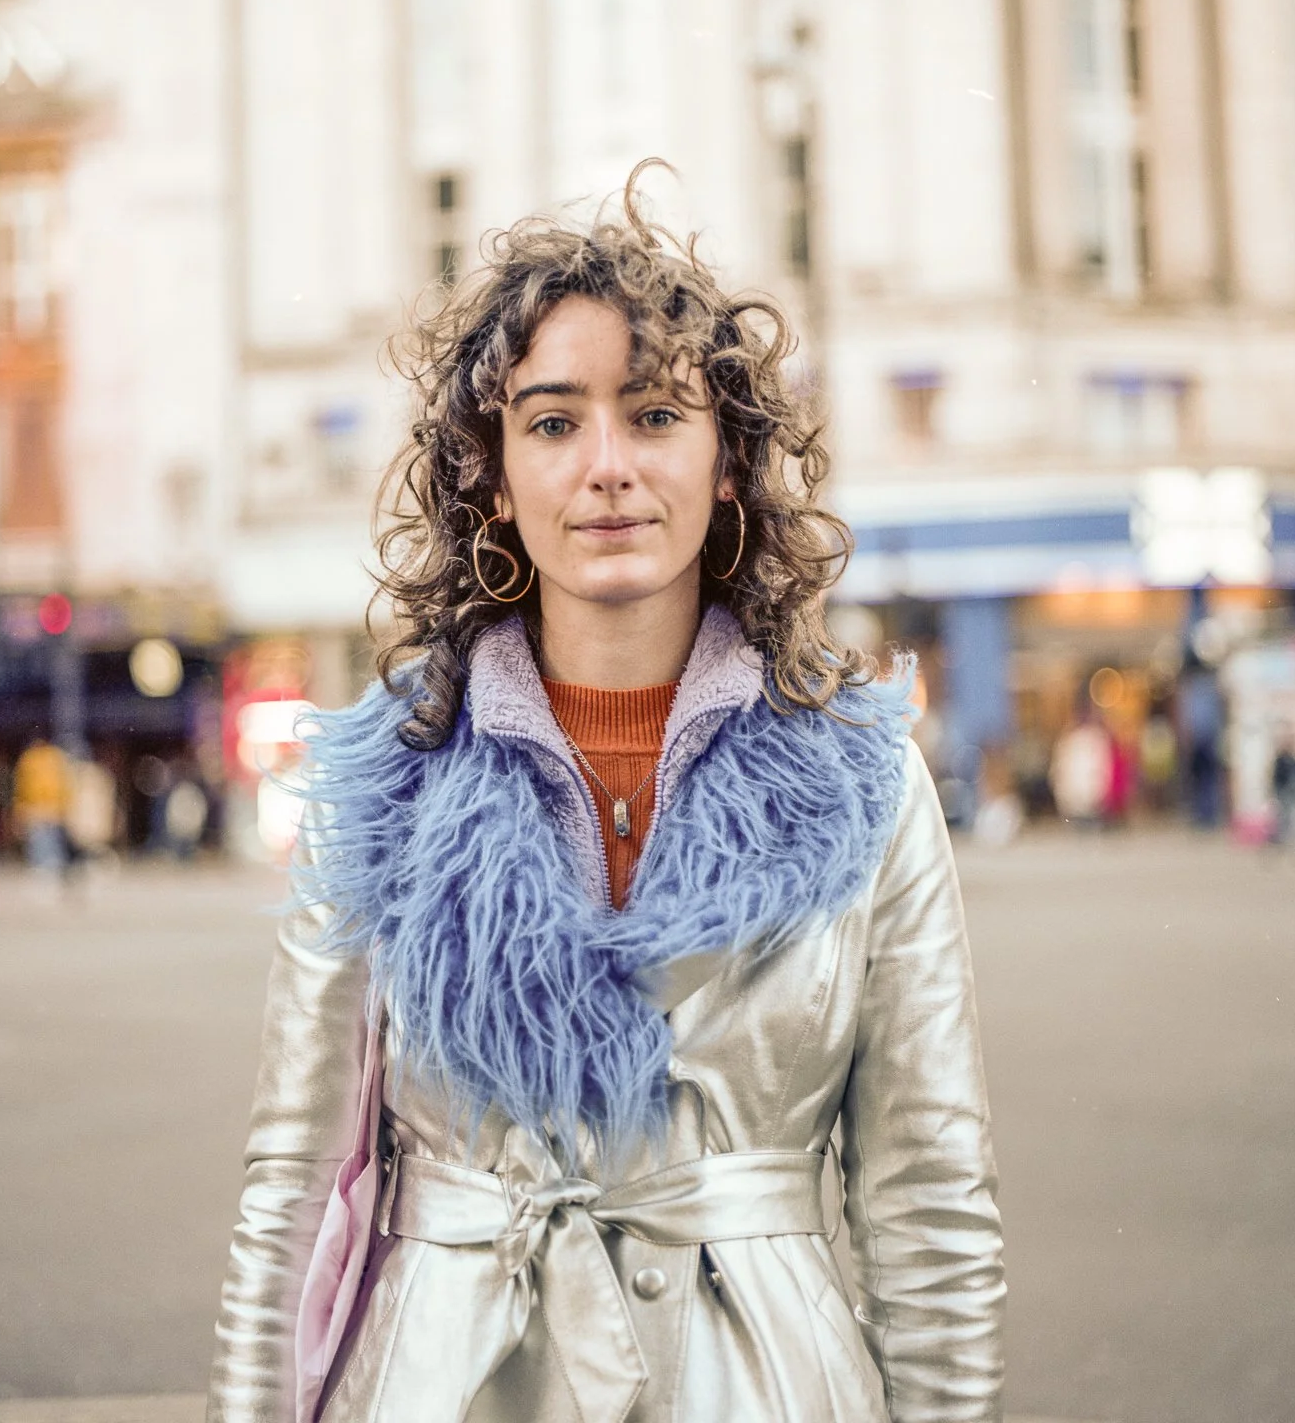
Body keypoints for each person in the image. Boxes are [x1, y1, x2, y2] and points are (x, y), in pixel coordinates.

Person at [207, 175, 1005, 1423]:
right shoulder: (380, 782)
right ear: (492, 474)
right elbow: (294, 1192)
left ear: (729, 462)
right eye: (552, 422)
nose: (608, 469)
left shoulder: (864, 778)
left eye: (654, 412)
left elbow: (928, 1201)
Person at [12, 738, 70, 881]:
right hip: (39, 806)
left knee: (49, 838)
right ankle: (44, 866)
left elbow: (63, 783)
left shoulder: (47, 757)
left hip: (47, 806)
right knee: (40, 838)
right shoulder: (35, 758)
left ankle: (51, 866)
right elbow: (22, 786)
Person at [1270, 726, 1295, 844]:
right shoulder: (1281, 760)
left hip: (1292, 791)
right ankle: (1283, 838)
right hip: (1283, 792)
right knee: (1284, 815)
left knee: (1292, 815)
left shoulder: (1294, 759)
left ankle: (1290, 837)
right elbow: (1277, 777)